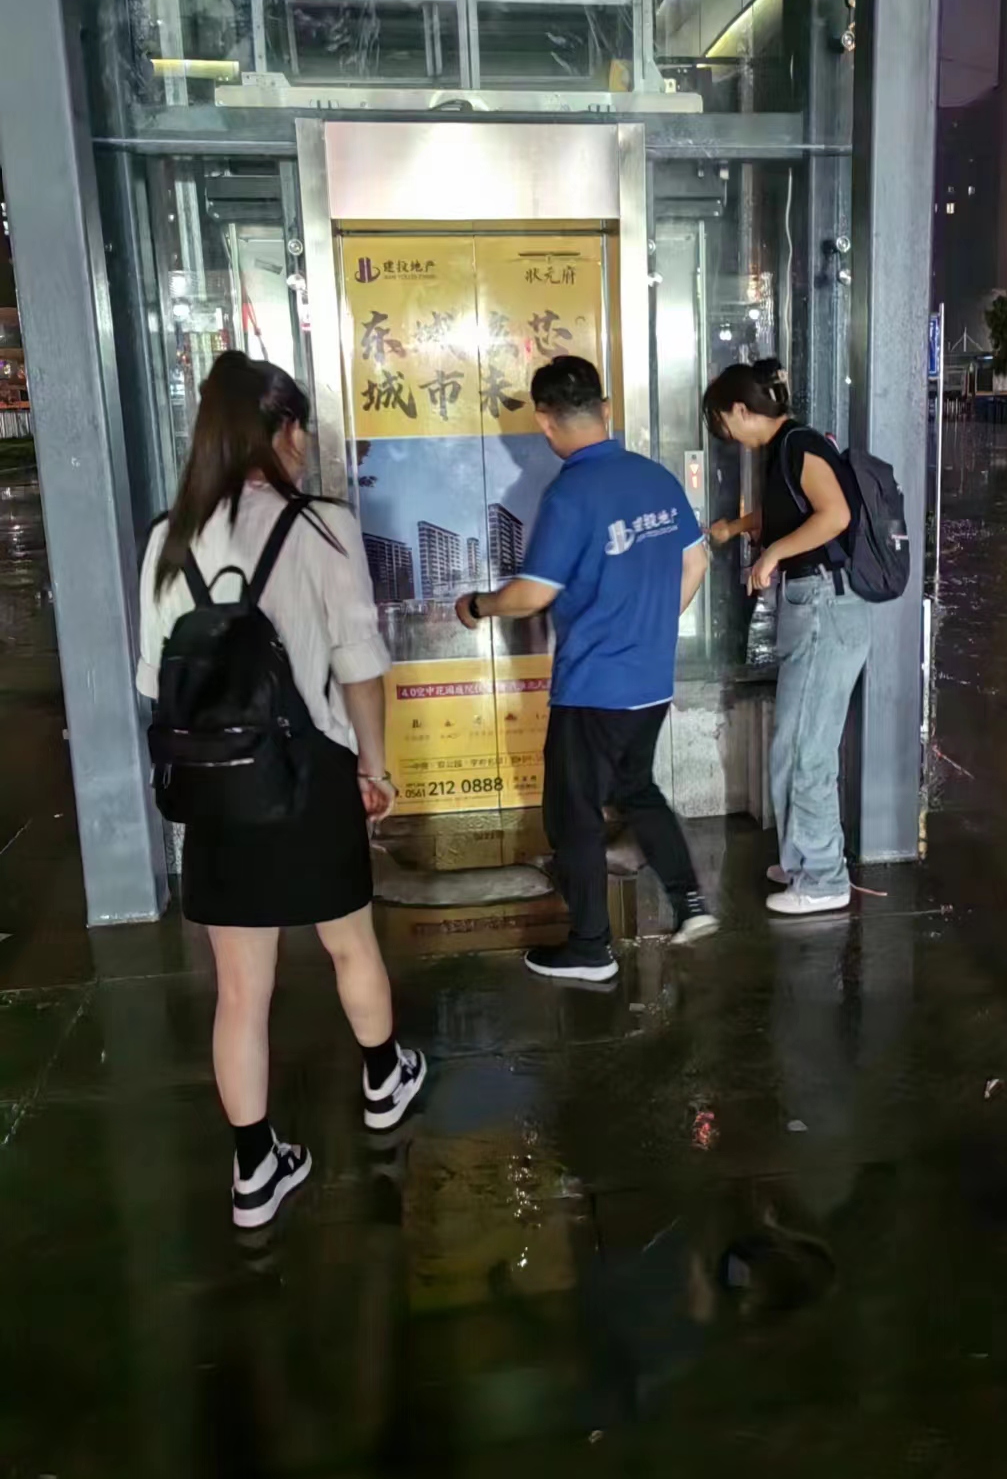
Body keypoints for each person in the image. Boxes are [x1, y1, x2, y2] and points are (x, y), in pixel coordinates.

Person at [137, 352, 425, 1229]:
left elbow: (154, 680)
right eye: (299, 427)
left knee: (240, 990)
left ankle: (256, 1170)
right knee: (350, 945)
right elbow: (360, 665)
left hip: (220, 791)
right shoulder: (323, 528)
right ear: (282, 430)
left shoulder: (168, 539)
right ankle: (384, 1081)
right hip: (311, 776)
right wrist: (374, 768)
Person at [455, 355, 716, 983]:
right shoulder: (655, 478)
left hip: (593, 686)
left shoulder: (570, 494)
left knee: (571, 814)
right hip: (649, 682)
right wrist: (652, 629)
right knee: (636, 789)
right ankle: (691, 904)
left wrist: (477, 606)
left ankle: (591, 948)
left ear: (545, 421)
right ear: (606, 410)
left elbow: (533, 594)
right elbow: (697, 562)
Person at [704, 359, 868, 916]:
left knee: (806, 751)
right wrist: (737, 528)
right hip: (814, 607)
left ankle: (823, 878)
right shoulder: (784, 451)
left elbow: (834, 515)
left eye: (725, 424)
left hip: (826, 607)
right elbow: (784, 514)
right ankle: (802, 858)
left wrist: (772, 553)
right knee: (791, 744)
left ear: (742, 410)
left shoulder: (799, 444)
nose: (728, 435)